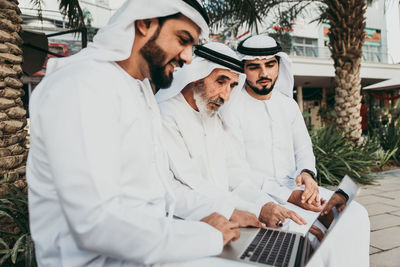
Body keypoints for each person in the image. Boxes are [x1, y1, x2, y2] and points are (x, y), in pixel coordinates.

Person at [26, 1, 247, 266]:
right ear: (145, 22)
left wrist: (218, 216)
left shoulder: (137, 90)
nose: (188, 57)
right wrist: (205, 236)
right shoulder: (83, 84)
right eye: (182, 39)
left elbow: (158, 195)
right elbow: (96, 223)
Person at [220, 34, 370, 266]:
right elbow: (234, 171)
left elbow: (303, 148)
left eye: (270, 64)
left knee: (355, 214)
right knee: (305, 233)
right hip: (259, 195)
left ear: (279, 64)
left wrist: (308, 176)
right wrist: (289, 196)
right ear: (243, 69)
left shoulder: (287, 104)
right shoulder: (231, 107)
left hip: (296, 190)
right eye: (254, 67)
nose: (264, 74)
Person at [156, 42, 307, 229]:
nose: (226, 96)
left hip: (229, 218)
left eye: (232, 86)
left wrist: (267, 205)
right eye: (220, 82)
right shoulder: (166, 115)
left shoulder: (212, 118)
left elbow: (236, 176)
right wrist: (254, 209)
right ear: (195, 76)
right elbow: (193, 184)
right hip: (188, 223)